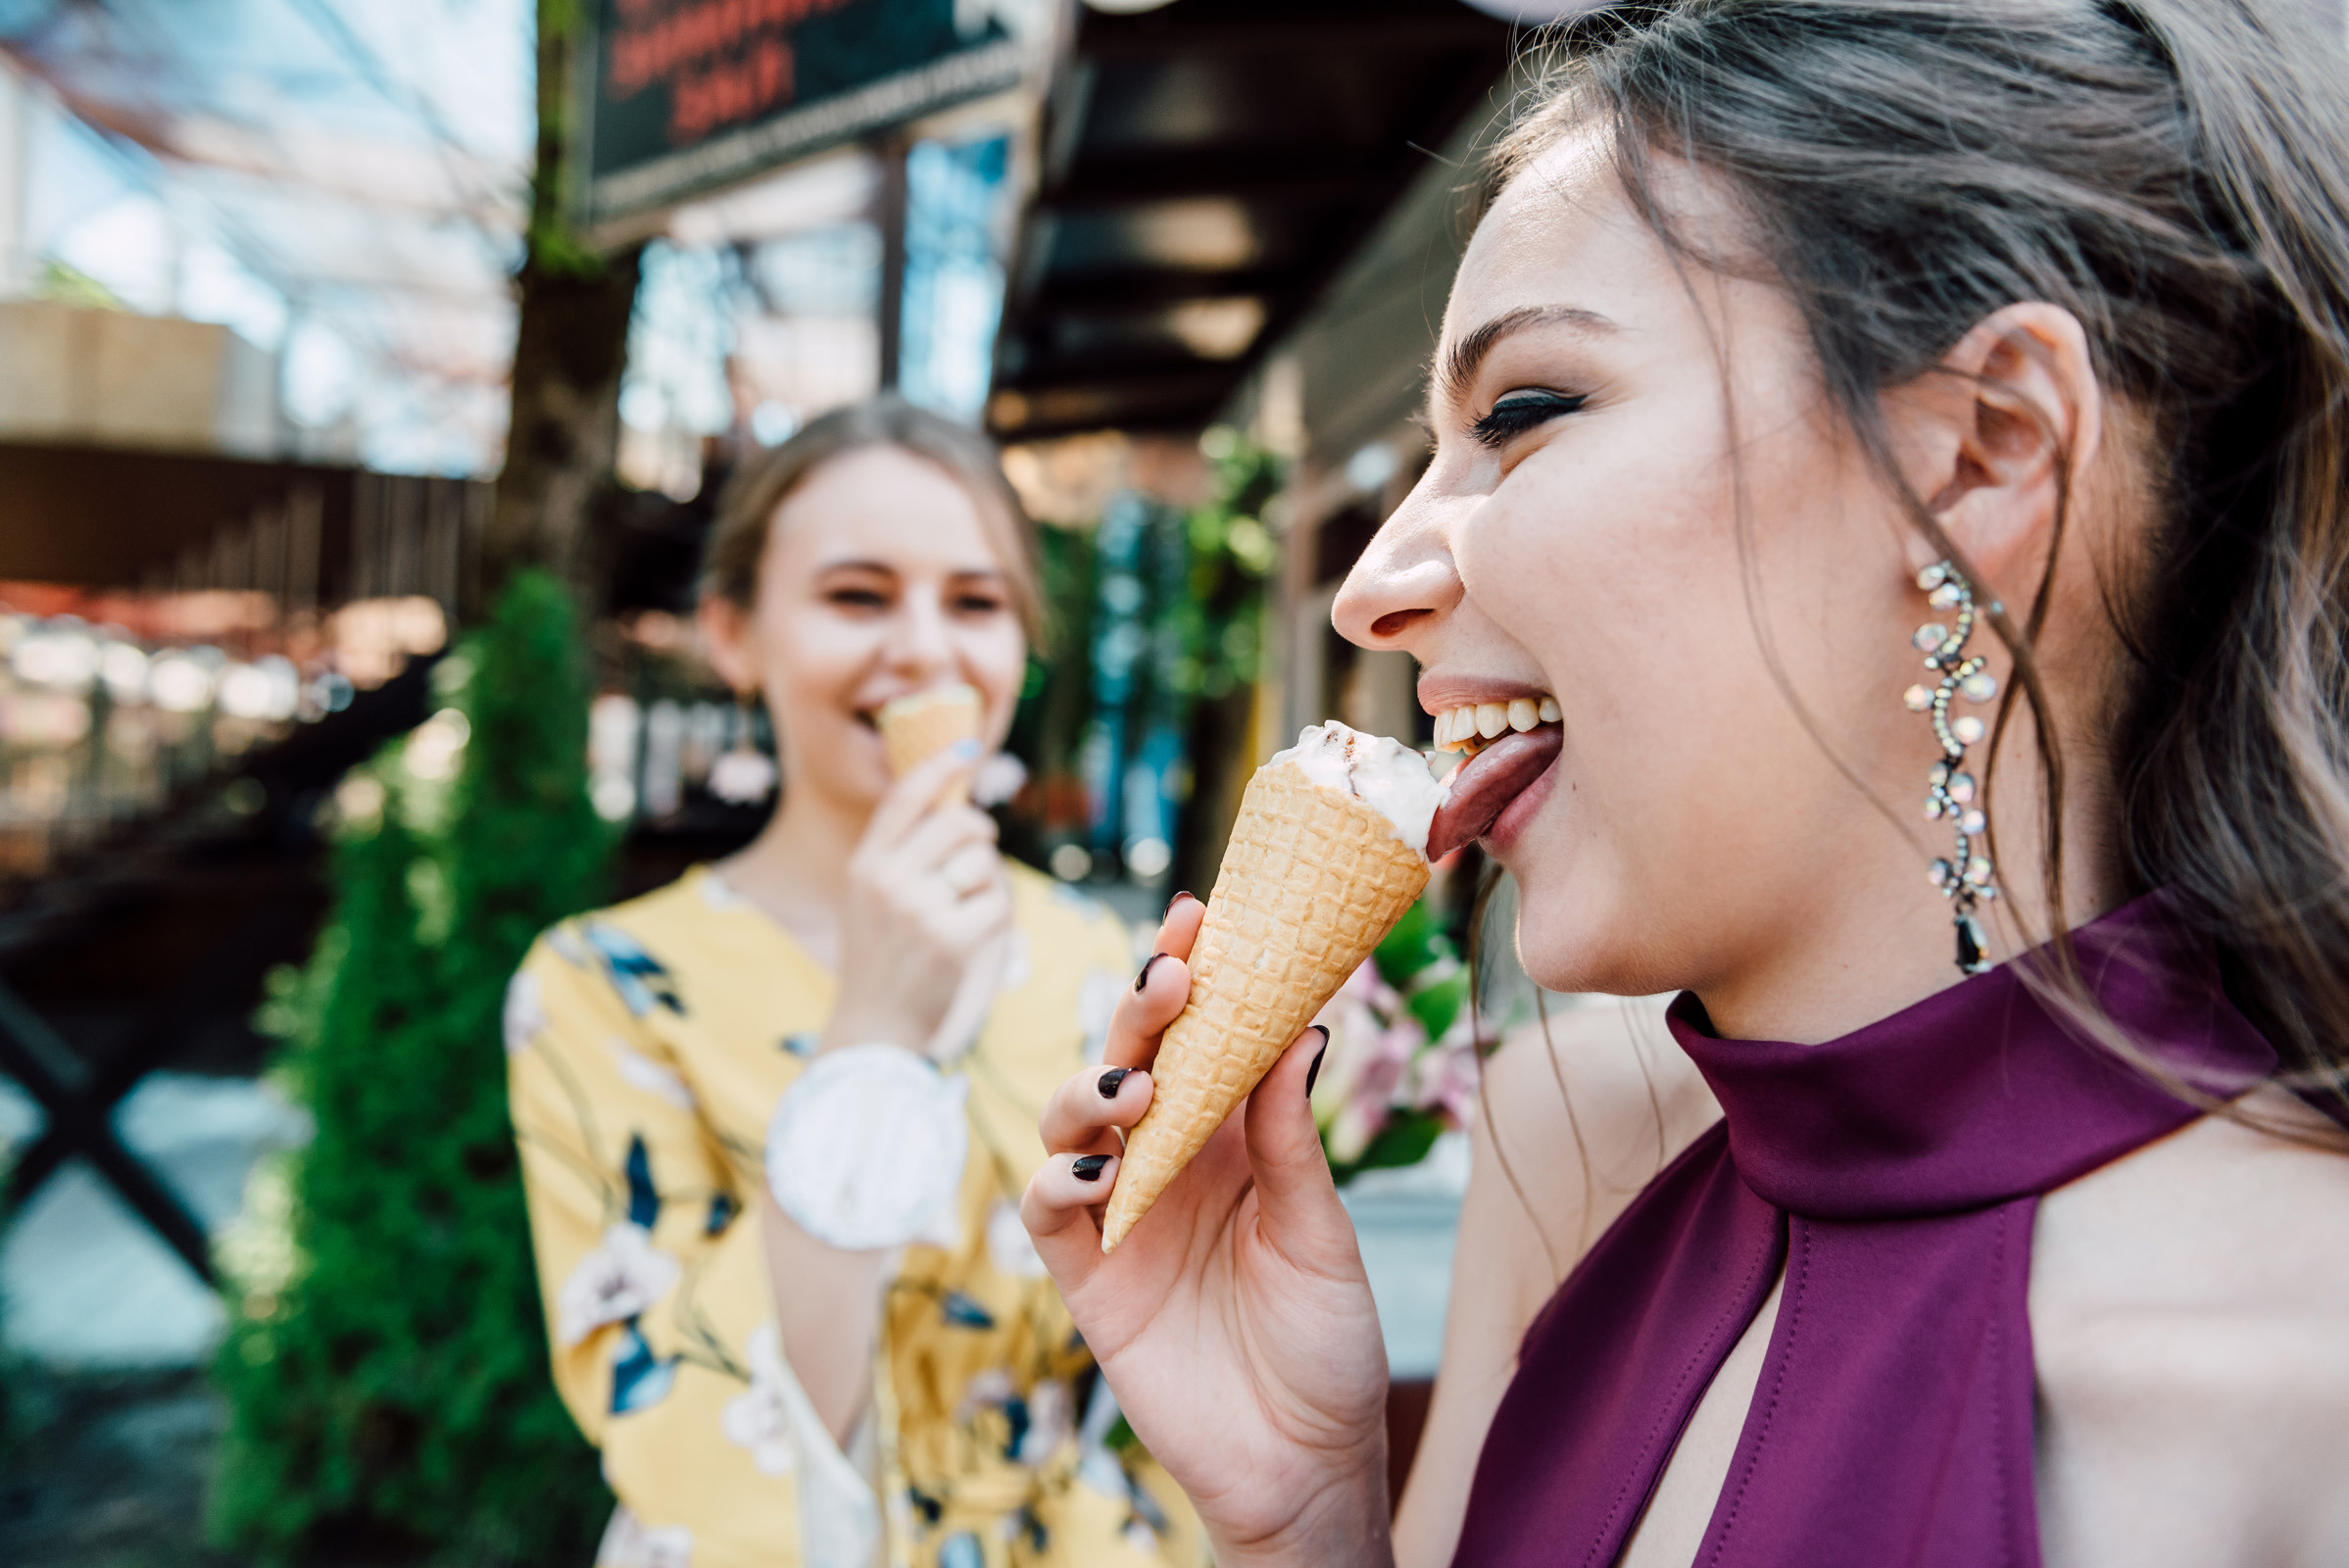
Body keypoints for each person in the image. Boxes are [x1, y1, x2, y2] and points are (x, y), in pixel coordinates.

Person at [1021, 2, 2349, 1564]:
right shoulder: (1575, 1150)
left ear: (1987, 449)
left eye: (1523, 414)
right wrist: (1305, 1518)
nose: (1367, 587)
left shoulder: (2297, 1400)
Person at [507, 396, 1203, 1568]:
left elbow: (1184, 1361)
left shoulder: (1103, 964)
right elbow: (680, 1424)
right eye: (857, 596)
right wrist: (873, 1030)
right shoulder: (606, 985)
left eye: (976, 602)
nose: (926, 649)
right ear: (735, 635)